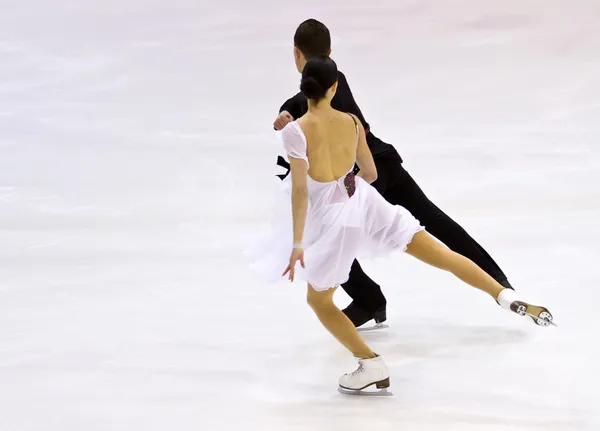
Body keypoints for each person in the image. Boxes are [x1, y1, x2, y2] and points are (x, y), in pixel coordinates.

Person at [251, 57, 553, 393]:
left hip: (334, 221)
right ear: (334, 88)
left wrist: (297, 244)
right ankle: (503, 295)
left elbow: (300, 189)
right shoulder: (351, 122)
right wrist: (349, 185)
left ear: (303, 88)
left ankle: (370, 363)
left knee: (319, 302)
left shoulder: (296, 131)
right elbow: (370, 174)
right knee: (439, 253)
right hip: (366, 202)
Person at [273, 19, 514, 329]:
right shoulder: (338, 78)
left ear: (296, 54)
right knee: (434, 218)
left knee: (326, 235)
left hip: (363, 175)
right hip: (386, 163)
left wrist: (286, 113)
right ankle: (497, 280)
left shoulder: (316, 95)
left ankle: (368, 300)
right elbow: (308, 103)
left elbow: (304, 106)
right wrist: (289, 110)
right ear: (330, 52)